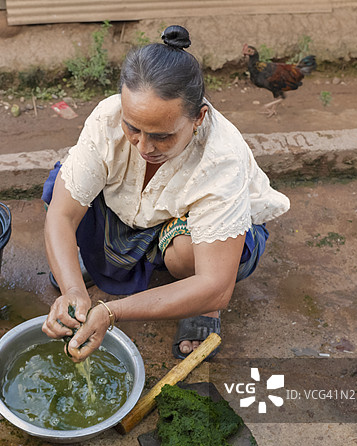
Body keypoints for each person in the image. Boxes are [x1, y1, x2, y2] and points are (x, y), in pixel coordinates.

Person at [41, 25, 289, 362]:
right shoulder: (107, 118)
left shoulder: (221, 159)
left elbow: (216, 284)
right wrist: (73, 290)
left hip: (200, 232)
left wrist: (111, 312)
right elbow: (63, 213)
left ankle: (203, 312)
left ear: (199, 117)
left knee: (185, 255)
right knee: (65, 186)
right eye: (133, 128)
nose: (144, 147)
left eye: (162, 136)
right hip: (134, 212)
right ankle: (93, 266)